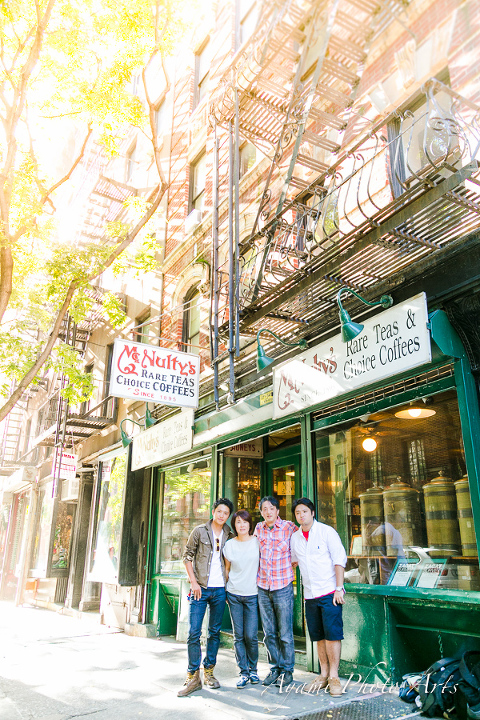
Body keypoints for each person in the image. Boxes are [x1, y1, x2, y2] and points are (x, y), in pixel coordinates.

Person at [290, 497, 347, 697]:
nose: (301, 515)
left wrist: (339, 588)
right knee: (318, 636)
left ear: (312, 513)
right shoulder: (295, 538)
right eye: (297, 513)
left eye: (304, 511)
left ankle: (334, 677)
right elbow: (293, 562)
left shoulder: (326, 532)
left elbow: (339, 560)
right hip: (309, 595)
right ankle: (322, 675)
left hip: (330, 592)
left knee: (332, 635)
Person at [178, 497, 234, 697]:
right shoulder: (199, 531)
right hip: (200, 588)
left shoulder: (230, 533)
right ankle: (192, 675)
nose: (222, 515)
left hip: (220, 590)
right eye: (219, 511)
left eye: (225, 513)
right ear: (213, 511)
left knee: (214, 632)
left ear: (228, 516)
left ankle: (209, 671)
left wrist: (229, 582)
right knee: (194, 632)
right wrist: (193, 582)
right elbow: (187, 556)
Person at [255, 496, 298, 687]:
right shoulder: (258, 528)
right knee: (269, 633)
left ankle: (288, 670)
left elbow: (303, 542)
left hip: (283, 587)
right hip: (263, 587)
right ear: (261, 512)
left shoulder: (289, 527)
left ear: (277, 511)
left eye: (271, 508)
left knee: (286, 632)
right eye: (264, 509)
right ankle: (275, 668)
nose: (268, 512)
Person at [223, 509, 260, 688]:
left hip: (252, 594)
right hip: (234, 594)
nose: (242, 525)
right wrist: (224, 591)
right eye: (238, 522)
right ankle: (243, 672)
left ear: (249, 524)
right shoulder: (229, 545)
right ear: (234, 525)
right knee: (238, 636)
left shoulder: (257, 542)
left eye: (245, 522)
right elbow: (227, 570)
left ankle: (253, 670)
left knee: (251, 635)